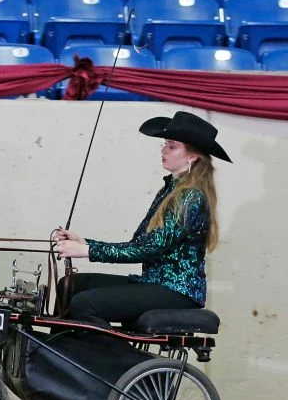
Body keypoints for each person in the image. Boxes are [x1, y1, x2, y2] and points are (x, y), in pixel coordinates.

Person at [53, 110, 231, 328]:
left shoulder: (189, 196)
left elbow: (149, 249)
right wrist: (85, 243)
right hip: (154, 282)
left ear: (191, 156)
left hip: (176, 290)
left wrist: (88, 252)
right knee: (69, 285)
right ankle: (64, 352)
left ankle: (111, 360)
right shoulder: (170, 191)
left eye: (172, 146)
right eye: (165, 144)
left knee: (85, 304)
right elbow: (139, 245)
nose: (164, 150)